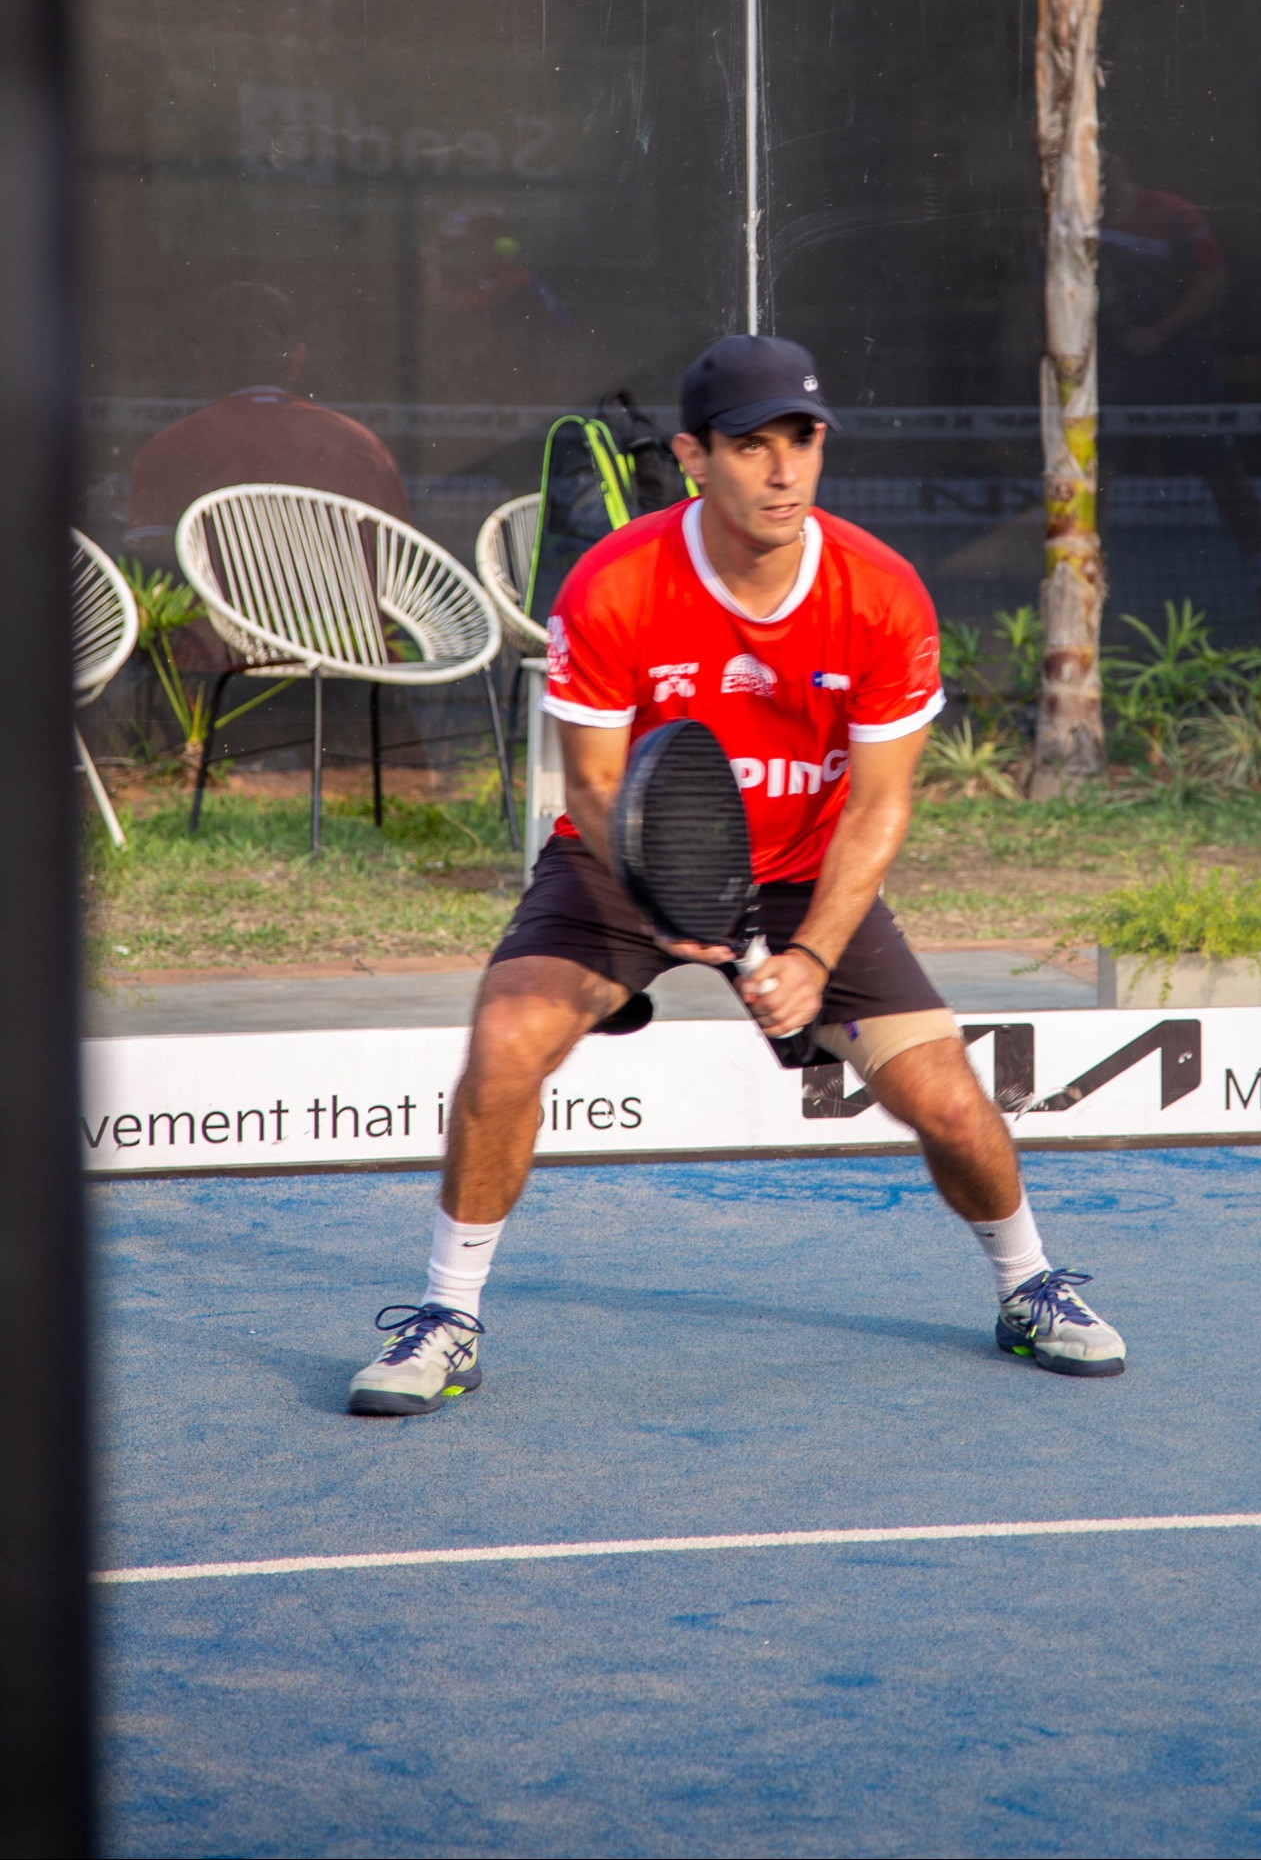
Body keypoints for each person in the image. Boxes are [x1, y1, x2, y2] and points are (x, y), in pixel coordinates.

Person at [348, 333, 1127, 1415]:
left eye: (802, 440)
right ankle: (447, 1317)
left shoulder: (881, 592)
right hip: (626, 855)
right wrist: (668, 893)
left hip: (808, 877)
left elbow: (879, 804)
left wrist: (811, 955)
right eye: (752, 443)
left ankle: (1028, 1285)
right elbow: (593, 785)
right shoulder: (615, 583)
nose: (783, 468)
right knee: (505, 1042)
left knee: (950, 1103)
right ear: (694, 455)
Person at [1099, 156, 1261, 626]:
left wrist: (1160, 332)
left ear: (1119, 164)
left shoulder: (1175, 213)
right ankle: (1091, 594)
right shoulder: (1073, 221)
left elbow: (1213, 281)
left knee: (1223, 470)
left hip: (1180, 362)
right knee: (1093, 476)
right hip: (1113, 364)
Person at [125, 282, 408, 568]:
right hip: (341, 600)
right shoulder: (362, 445)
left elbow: (151, 569)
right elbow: (400, 564)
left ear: (204, 362)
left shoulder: (168, 447)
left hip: (212, 600)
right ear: (297, 359)